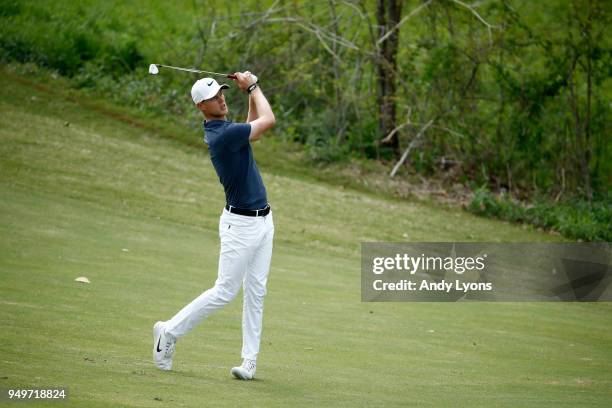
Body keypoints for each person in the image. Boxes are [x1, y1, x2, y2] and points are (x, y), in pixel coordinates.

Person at [152, 71, 276, 380]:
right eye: (212, 98)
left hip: (264, 221)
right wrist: (255, 88)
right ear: (201, 107)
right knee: (225, 291)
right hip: (241, 225)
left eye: (221, 93)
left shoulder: (226, 129)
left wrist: (248, 94)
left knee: (256, 292)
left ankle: (249, 362)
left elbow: (255, 131)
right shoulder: (222, 135)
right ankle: (168, 331)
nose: (220, 98)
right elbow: (268, 120)